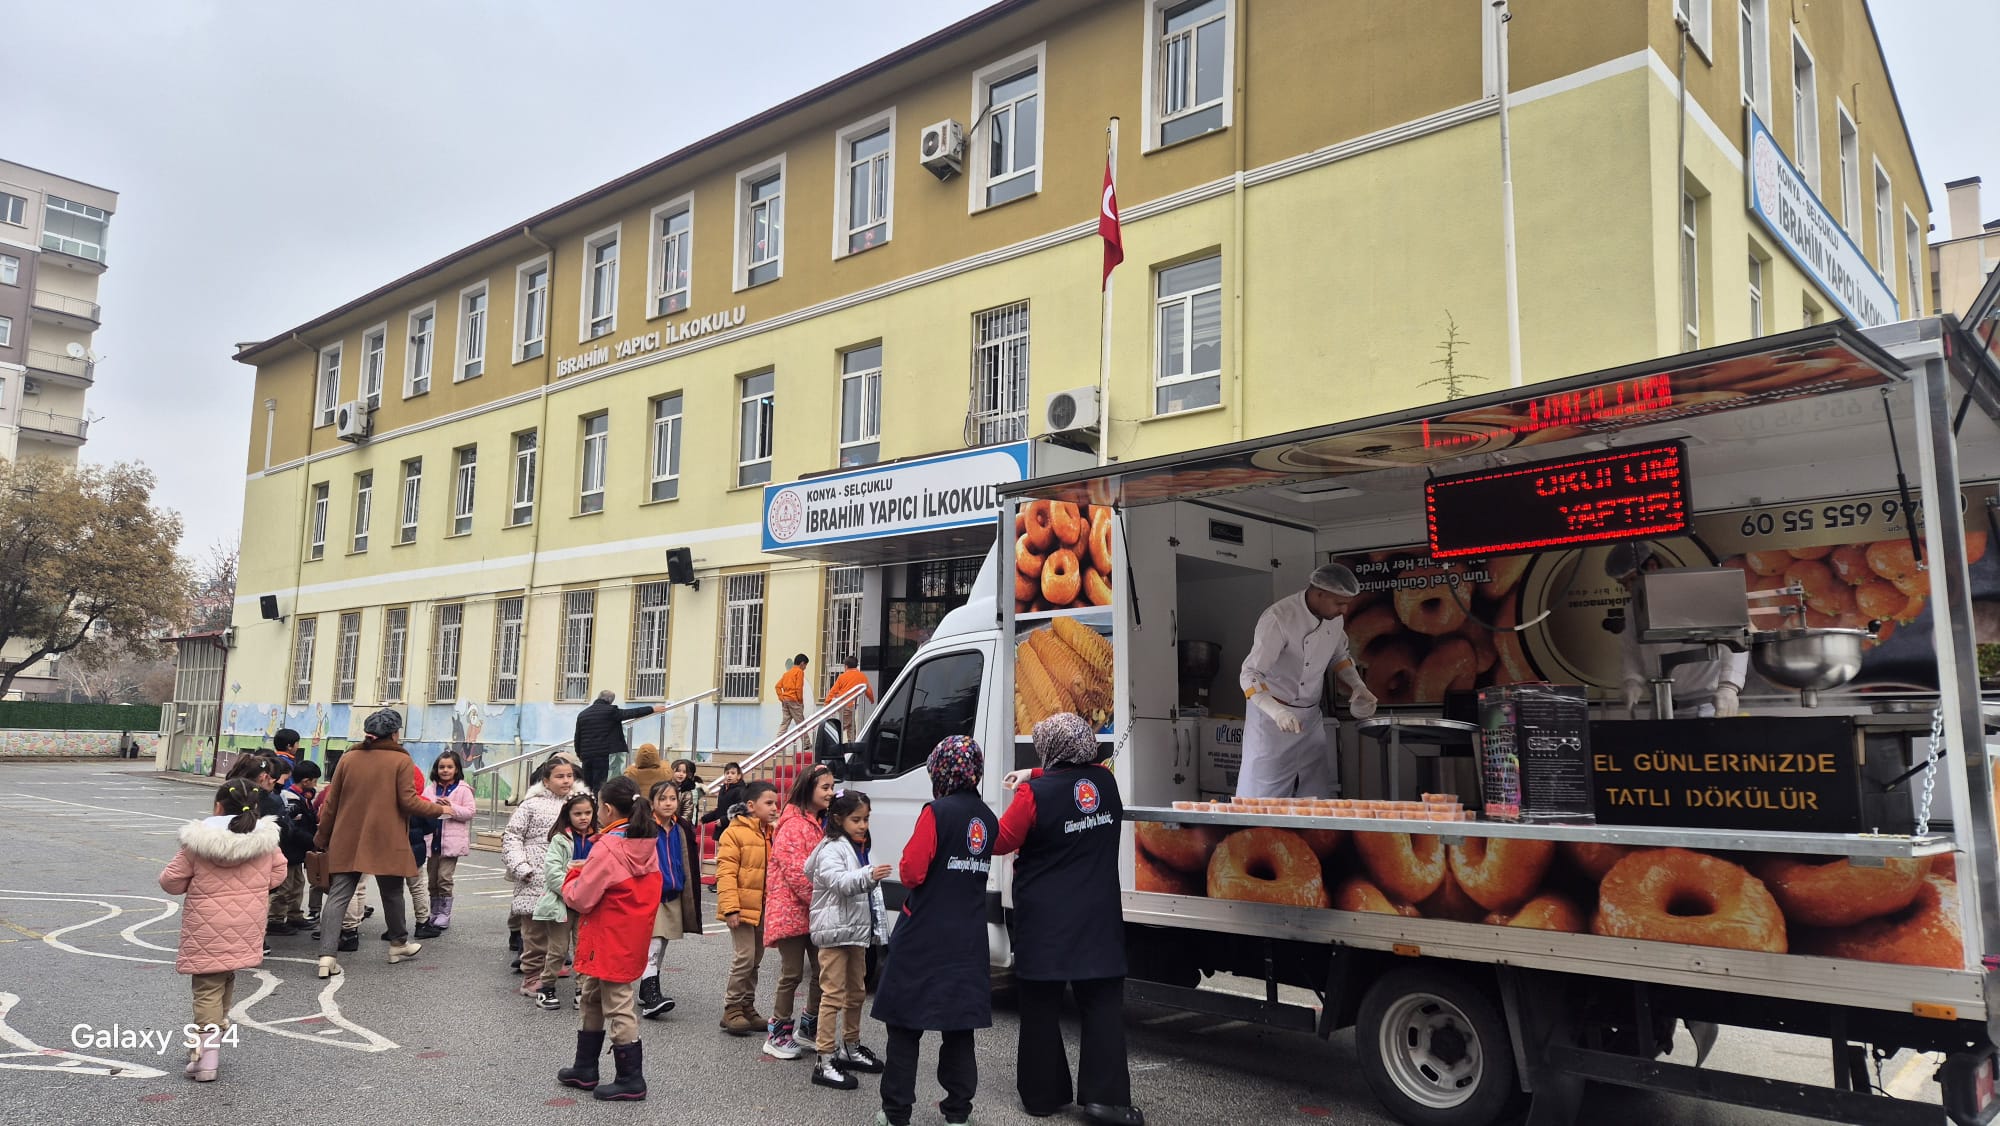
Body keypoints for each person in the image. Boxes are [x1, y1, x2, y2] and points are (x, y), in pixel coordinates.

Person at [996, 713, 1144, 1126]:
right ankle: (1105, 1101)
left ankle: (1043, 1096)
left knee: (1041, 1005)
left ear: (1050, 750)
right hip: (1097, 915)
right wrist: (1037, 772)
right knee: (1101, 1003)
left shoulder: (1033, 796)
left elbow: (1001, 840)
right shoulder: (1105, 783)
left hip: (1044, 918)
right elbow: (1078, 775)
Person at [871, 736, 996, 1126]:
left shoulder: (936, 812)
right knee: (959, 1027)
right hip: (968, 935)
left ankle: (896, 1113)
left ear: (939, 770)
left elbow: (911, 871)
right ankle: (957, 1112)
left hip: (924, 933)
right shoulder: (986, 818)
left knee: (905, 1025)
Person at [158, 777, 287, 1083]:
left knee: (206, 986)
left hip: (207, 924)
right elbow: (279, 874)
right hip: (247, 921)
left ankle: (205, 1057)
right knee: (226, 975)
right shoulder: (266, 841)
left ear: (217, 806)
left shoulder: (198, 843)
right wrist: (254, 887)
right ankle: (211, 1042)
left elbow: (170, 881)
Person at [311, 709, 452, 980]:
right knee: (392, 892)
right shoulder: (401, 760)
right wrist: (439, 810)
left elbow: (331, 802)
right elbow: (409, 801)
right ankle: (398, 944)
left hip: (347, 836)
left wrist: (322, 836)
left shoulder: (349, 757)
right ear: (395, 733)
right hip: (387, 838)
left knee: (340, 894)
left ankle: (327, 956)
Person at [556, 775, 663, 1102]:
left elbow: (582, 898)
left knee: (617, 1004)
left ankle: (631, 1077)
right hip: (628, 934)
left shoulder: (609, 846)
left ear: (605, 808)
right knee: (591, 994)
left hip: (607, 935)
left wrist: (572, 875)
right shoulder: (644, 842)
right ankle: (585, 1067)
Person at [1237, 562, 1375, 800]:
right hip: (1272, 721)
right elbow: (1250, 674)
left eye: (1347, 604)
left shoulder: (1334, 618)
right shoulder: (1279, 618)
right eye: (1339, 603)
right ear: (1318, 593)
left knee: (1316, 792)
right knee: (1263, 797)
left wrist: (1358, 686)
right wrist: (1277, 712)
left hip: (1310, 719)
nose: (1344, 610)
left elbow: (1339, 655)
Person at [805, 790, 890, 1091]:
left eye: (866, 819)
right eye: (856, 819)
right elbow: (840, 883)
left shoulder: (859, 846)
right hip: (833, 933)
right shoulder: (832, 848)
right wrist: (869, 875)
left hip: (855, 931)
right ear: (838, 819)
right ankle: (824, 1057)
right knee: (833, 994)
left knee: (857, 991)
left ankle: (850, 1045)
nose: (863, 825)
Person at [1612, 542, 1749, 718]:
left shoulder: (1700, 594)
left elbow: (1735, 639)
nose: (1629, 589)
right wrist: (1632, 680)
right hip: (1661, 706)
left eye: (1631, 580)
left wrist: (1729, 686)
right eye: (1624, 584)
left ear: (1652, 567)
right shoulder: (1633, 610)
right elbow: (1631, 649)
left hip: (1707, 707)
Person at [762, 763, 835, 1060]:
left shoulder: (817, 822)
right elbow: (797, 873)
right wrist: (822, 900)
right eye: (825, 788)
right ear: (809, 789)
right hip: (792, 911)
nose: (830, 793)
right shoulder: (793, 825)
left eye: (832, 787)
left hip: (812, 911)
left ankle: (808, 1026)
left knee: (821, 971)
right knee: (791, 973)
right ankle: (778, 1032)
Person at [505, 757, 581, 984]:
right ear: (546, 781)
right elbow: (511, 836)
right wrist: (521, 867)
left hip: (568, 878)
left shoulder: (580, 803)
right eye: (560, 776)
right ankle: (531, 977)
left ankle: (552, 975)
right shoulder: (530, 805)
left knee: (562, 932)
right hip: (534, 878)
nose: (566, 780)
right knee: (534, 933)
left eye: (569, 776)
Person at [715, 780, 780, 1036]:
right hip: (742, 907)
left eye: (776, 802)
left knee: (756, 959)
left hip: (764, 906)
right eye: (769, 803)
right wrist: (731, 907)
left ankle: (746, 1006)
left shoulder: (770, 832)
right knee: (744, 958)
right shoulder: (734, 833)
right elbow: (726, 872)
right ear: (751, 806)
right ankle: (731, 1008)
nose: (775, 807)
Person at [640, 779, 702, 1020]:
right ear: (652, 803)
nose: (668, 803)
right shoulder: (645, 827)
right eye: (662, 799)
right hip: (651, 894)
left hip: (673, 892)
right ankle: (652, 995)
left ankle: (648, 986)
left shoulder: (681, 827)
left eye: (672, 798)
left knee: (662, 942)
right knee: (652, 943)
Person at [534, 793, 597, 1009]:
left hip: (587, 904)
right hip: (563, 903)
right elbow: (553, 874)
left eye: (588, 813)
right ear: (567, 814)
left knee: (584, 948)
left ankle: (583, 990)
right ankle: (546, 987)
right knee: (558, 949)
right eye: (577, 813)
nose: (583, 817)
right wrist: (573, 891)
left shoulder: (598, 838)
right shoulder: (560, 840)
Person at [573, 689, 667, 793]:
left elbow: (577, 736)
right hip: (601, 755)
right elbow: (632, 713)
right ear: (610, 701)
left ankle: (586, 802)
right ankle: (596, 806)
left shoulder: (583, 714)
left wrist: (579, 753)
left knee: (587, 784)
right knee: (599, 785)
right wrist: (652, 709)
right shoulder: (610, 711)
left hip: (586, 755)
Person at [424, 750, 476, 930]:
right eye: (441, 767)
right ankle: (435, 911)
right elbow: (423, 807)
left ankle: (445, 913)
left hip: (451, 844)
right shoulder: (430, 789)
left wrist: (451, 807)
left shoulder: (463, 790)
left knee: (444, 878)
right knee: (432, 880)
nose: (445, 770)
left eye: (449, 767)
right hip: (433, 842)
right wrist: (433, 808)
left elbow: (470, 812)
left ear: (456, 769)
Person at [281, 760, 322, 926]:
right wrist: (312, 841)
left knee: (298, 884)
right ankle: (276, 918)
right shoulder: (291, 799)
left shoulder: (304, 797)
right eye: (314, 781)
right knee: (285, 887)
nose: (315, 785)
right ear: (306, 781)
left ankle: (294, 914)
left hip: (299, 852)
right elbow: (294, 828)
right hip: (290, 850)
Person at [827, 655, 875, 738]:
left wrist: (827, 703)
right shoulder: (861, 676)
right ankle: (849, 744)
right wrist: (871, 699)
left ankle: (844, 744)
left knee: (847, 726)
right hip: (851, 705)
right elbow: (868, 689)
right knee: (849, 726)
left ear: (846, 666)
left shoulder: (842, 677)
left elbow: (833, 691)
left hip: (843, 704)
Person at [776, 654, 811, 734]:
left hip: (785, 701)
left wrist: (781, 698)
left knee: (785, 723)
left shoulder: (787, 674)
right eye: (805, 665)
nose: (805, 668)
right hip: (794, 701)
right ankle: (807, 744)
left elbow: (777, 686)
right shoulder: (799, 672)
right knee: (801, 724)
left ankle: (778, 743)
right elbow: (798, 688)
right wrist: (800, 701)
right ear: (802, 663)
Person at [701, 762, 745, 826]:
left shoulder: (741, 790)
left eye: (733, 773)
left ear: (739, 776)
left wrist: (724, 820)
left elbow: (740, 811)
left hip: (733, 827)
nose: (729, 775)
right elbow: (721, 809)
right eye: (727, 773)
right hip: (720, 827)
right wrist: (705, 818)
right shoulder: (723, 788)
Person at [671, 759, 704, 826]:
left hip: (683, 824)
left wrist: (677, 825)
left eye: (684, 772)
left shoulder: (690, 789)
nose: (681, 774)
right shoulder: (667, 786)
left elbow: (688, 812)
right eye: (678, 771)